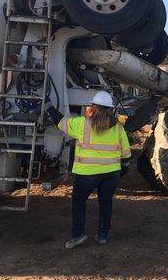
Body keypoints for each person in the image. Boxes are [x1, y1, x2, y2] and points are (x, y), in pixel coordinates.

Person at [46, 91, 130, 249]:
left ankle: (78, 235)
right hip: (111, 173)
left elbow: (60, 122)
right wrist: (122, 170)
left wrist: (48, 106)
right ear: (110, 109)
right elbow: (126, 154)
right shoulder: (118, 128)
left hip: (87, 173)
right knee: (105, 203)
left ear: (94, 107)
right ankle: (103, 235)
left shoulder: (82, 124)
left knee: (79, 202)